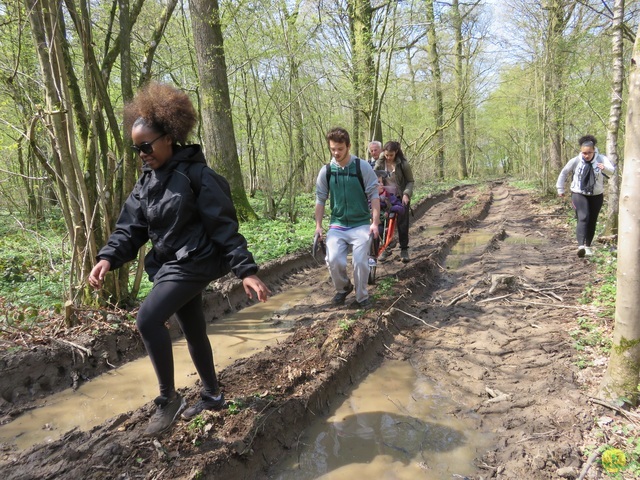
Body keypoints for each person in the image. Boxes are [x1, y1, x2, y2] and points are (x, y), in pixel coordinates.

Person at [88, 83, 271, 437]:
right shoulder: (147, 182)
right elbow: (131, 227)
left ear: (169, 137)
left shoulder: (198, 176)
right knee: (192, 328)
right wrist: (109, 257)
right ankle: (213, 394)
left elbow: (223, 227)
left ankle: (169, 400)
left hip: (196, 261)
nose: (141, 153)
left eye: (146, 146)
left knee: (147, 318)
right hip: (171, 263)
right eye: (135, 148)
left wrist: (245, 270)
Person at [315, 127, 380, 310]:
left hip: (360, 224)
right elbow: (320, 199)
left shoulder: (362, 167)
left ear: (348, 146)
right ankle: (343, 288)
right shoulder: (326, 171)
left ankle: (361, 297)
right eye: (333, 149)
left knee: (359, 261)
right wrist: (318, 226)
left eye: (340, 149)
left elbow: (374, 196)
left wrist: (374, 223)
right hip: (338, 224)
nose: (336, 153)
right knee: (333, 259)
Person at [556, 134, 615, 257]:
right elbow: (564, 172)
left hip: (596, 195)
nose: (586, 155)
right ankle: (580, 246)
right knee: (583, 217)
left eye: (589, 153)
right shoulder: (576, 160)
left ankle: (588, 247)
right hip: (578, 193)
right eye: (584, 153)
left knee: (592, 220)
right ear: (581, 151)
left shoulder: (601, 159)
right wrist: (560, 188)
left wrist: (604, 168)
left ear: (594, 150)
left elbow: (612, 171)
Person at [374, 141, 415, 263]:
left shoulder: (403, 164)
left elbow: (410, 181)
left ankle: (404, 249)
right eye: (386, 155)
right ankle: (385, 248)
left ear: (396, 153)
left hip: (400, 196)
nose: (388, 157)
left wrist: (406, 194)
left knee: (402, 224)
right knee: (383, 222)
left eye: (391, 155)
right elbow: (373, 176)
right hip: (385, 196)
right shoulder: (380, 163)